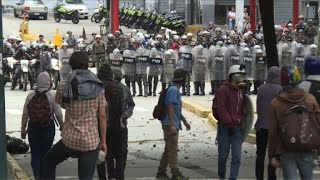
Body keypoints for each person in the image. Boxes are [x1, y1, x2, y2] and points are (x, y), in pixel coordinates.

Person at [42, 51, 107, 180]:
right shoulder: (98, 86)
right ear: (87, 65)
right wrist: (103, 141)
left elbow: (62, 104)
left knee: (48, 162)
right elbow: (102, 116)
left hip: (70, 140)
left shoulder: (64, 85)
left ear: (71, 65)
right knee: (85, 177)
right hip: (91, 141)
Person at [268, 64, 320, 180]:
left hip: (286, 149)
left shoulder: (276, 103)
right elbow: (318, 123)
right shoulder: (310, 99)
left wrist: (273, 155)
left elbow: (273, 132)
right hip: (307, 148)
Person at [21, 72, 63, 180]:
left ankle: (38, 177)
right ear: (49, 81)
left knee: (35, 153)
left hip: (32, 127)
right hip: (48, 127)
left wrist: (23, 129)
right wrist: (62, 126)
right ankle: (46, 176)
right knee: (47, 153)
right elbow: (58, 113)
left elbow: (25, 113)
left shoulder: (30, 95)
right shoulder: (53, 95)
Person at [96, 64, 135, 180]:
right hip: (119, 128)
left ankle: (110, 176)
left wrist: (126, 114)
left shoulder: (123, 89)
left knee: (103, 156)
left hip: (106, 127)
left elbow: (131, 105)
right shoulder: (108, 88)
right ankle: (115, 176)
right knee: (119, 156)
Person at [156, 68, 191, 180]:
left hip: (173, 123)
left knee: (168, 149)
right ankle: (176, 174)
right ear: (183, 80)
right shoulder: (173, 90)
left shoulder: (174, 89)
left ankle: (161, 172)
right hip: (170, 124)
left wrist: (184, 121)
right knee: (172, 150)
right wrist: (172, 125)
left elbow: (176, 110)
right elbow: (170, 107)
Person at [215, 64, 247, 180]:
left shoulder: (241, 90)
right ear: (232, 76)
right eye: (240, 75)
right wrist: (229, 123)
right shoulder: (222, 90)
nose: (242, 77)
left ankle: (233, 178)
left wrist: (242, 120)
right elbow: (221, 108)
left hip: (237, 129)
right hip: (225, 128)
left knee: (236, 157)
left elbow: (244, 108)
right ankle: (221, 176)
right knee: (223, 157)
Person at [254, 66, 282, 180]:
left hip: (261, 126)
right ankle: (271, 176)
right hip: (274, 129)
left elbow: (258, 106)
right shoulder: (280, 90)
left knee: (260, 155)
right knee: (272, 154)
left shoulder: (261, 88)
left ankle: (259, 177)